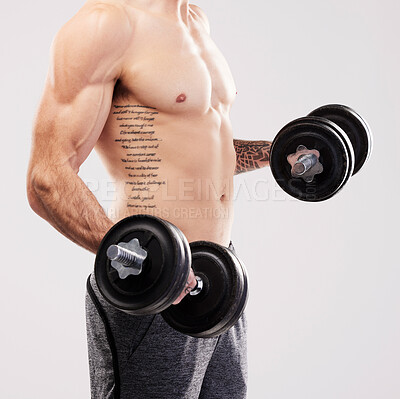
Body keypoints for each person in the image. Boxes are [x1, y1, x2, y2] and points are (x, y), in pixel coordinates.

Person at [27, 1, 271, 397]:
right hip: (152, 291)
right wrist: (150, 267)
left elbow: (206, 153)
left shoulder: (194, 21)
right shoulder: (106, 25)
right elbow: (47, 178)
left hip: (218, 280)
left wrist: (276, 153)